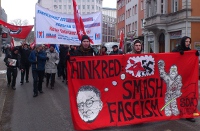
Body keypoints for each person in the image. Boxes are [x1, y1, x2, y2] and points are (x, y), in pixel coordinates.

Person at [172, 36, 199, 122]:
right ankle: (179, 112)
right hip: (179, 77)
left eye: (189, 41)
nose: (188, 43)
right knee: (179, 95)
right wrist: (178, 53)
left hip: (188, 78)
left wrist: (196, 55)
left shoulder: (190, 52)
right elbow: (171, 57)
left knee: (188, 96)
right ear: (183, 42)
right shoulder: (177, 49)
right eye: (186, 41)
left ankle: (188, 114)